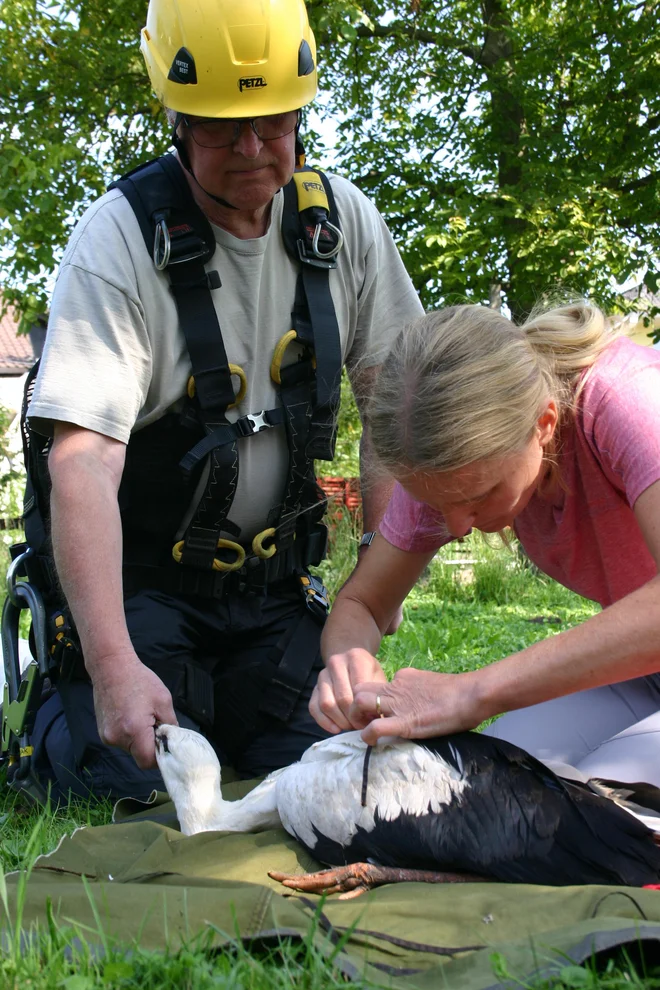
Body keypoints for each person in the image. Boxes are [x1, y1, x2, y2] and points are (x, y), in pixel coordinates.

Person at [24, 0, 423, 802]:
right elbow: (83, 464)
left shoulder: (345, 229)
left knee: (354, 770)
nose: (250, 148)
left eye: (273, 123)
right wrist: (111, 671)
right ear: (175, 115)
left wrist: (375, 597)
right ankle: (63, 698)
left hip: (274, 596)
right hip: (142, 592)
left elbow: (397, 417)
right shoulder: (119, 241)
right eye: (218, 126)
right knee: (125, 783)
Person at [312, 302, 660, 788]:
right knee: (489, 790)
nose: (456, 527)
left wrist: (473, 692)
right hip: (647, 671)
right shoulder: (444, 473)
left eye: (479, 497)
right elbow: (363, 603)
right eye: (440, 506)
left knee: (604, 813)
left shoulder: (629, 400)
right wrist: (347, 660)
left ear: (544, 423)